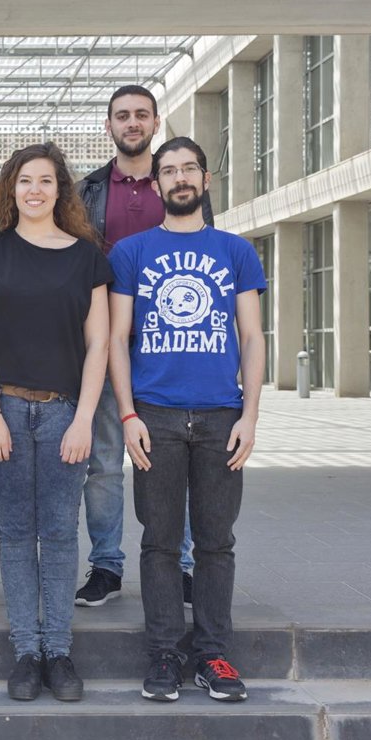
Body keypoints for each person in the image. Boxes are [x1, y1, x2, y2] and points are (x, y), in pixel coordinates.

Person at [107, 136, 265, 703]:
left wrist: (250, 415)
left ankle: (214, 655)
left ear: (205, 180)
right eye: (168, 170)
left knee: (217, 542)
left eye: (188, 169)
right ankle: (165, 654)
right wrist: (128, 413)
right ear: (156, 184)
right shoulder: (131, 253)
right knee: (160, 542)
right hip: (155, 414)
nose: (179, 178)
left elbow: (252, 336)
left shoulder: (236, 251)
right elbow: (116, 339)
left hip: (222, 415)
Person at [0, 143, 111, 702]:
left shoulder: (87, 257)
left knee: (58, 533)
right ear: (11, 187)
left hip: (63, 414)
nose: (35, 190)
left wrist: (83, 419)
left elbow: (99, 345)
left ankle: (59, 652)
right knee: (16, 532)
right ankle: (27, 651)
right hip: (4, 410)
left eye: (46, 181)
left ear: (59, 190)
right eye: (25, 180)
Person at [74, 85, 206, 608]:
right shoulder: (87, 191)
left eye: (141, 115)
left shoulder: (179, 182)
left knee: (176, 463)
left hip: (169, 347)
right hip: (105, 344)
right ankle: (106, 565)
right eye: (122, 115)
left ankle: (182, 565)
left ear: (155, 123)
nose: (132, 123)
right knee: (103, 462)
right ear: (108, 126)